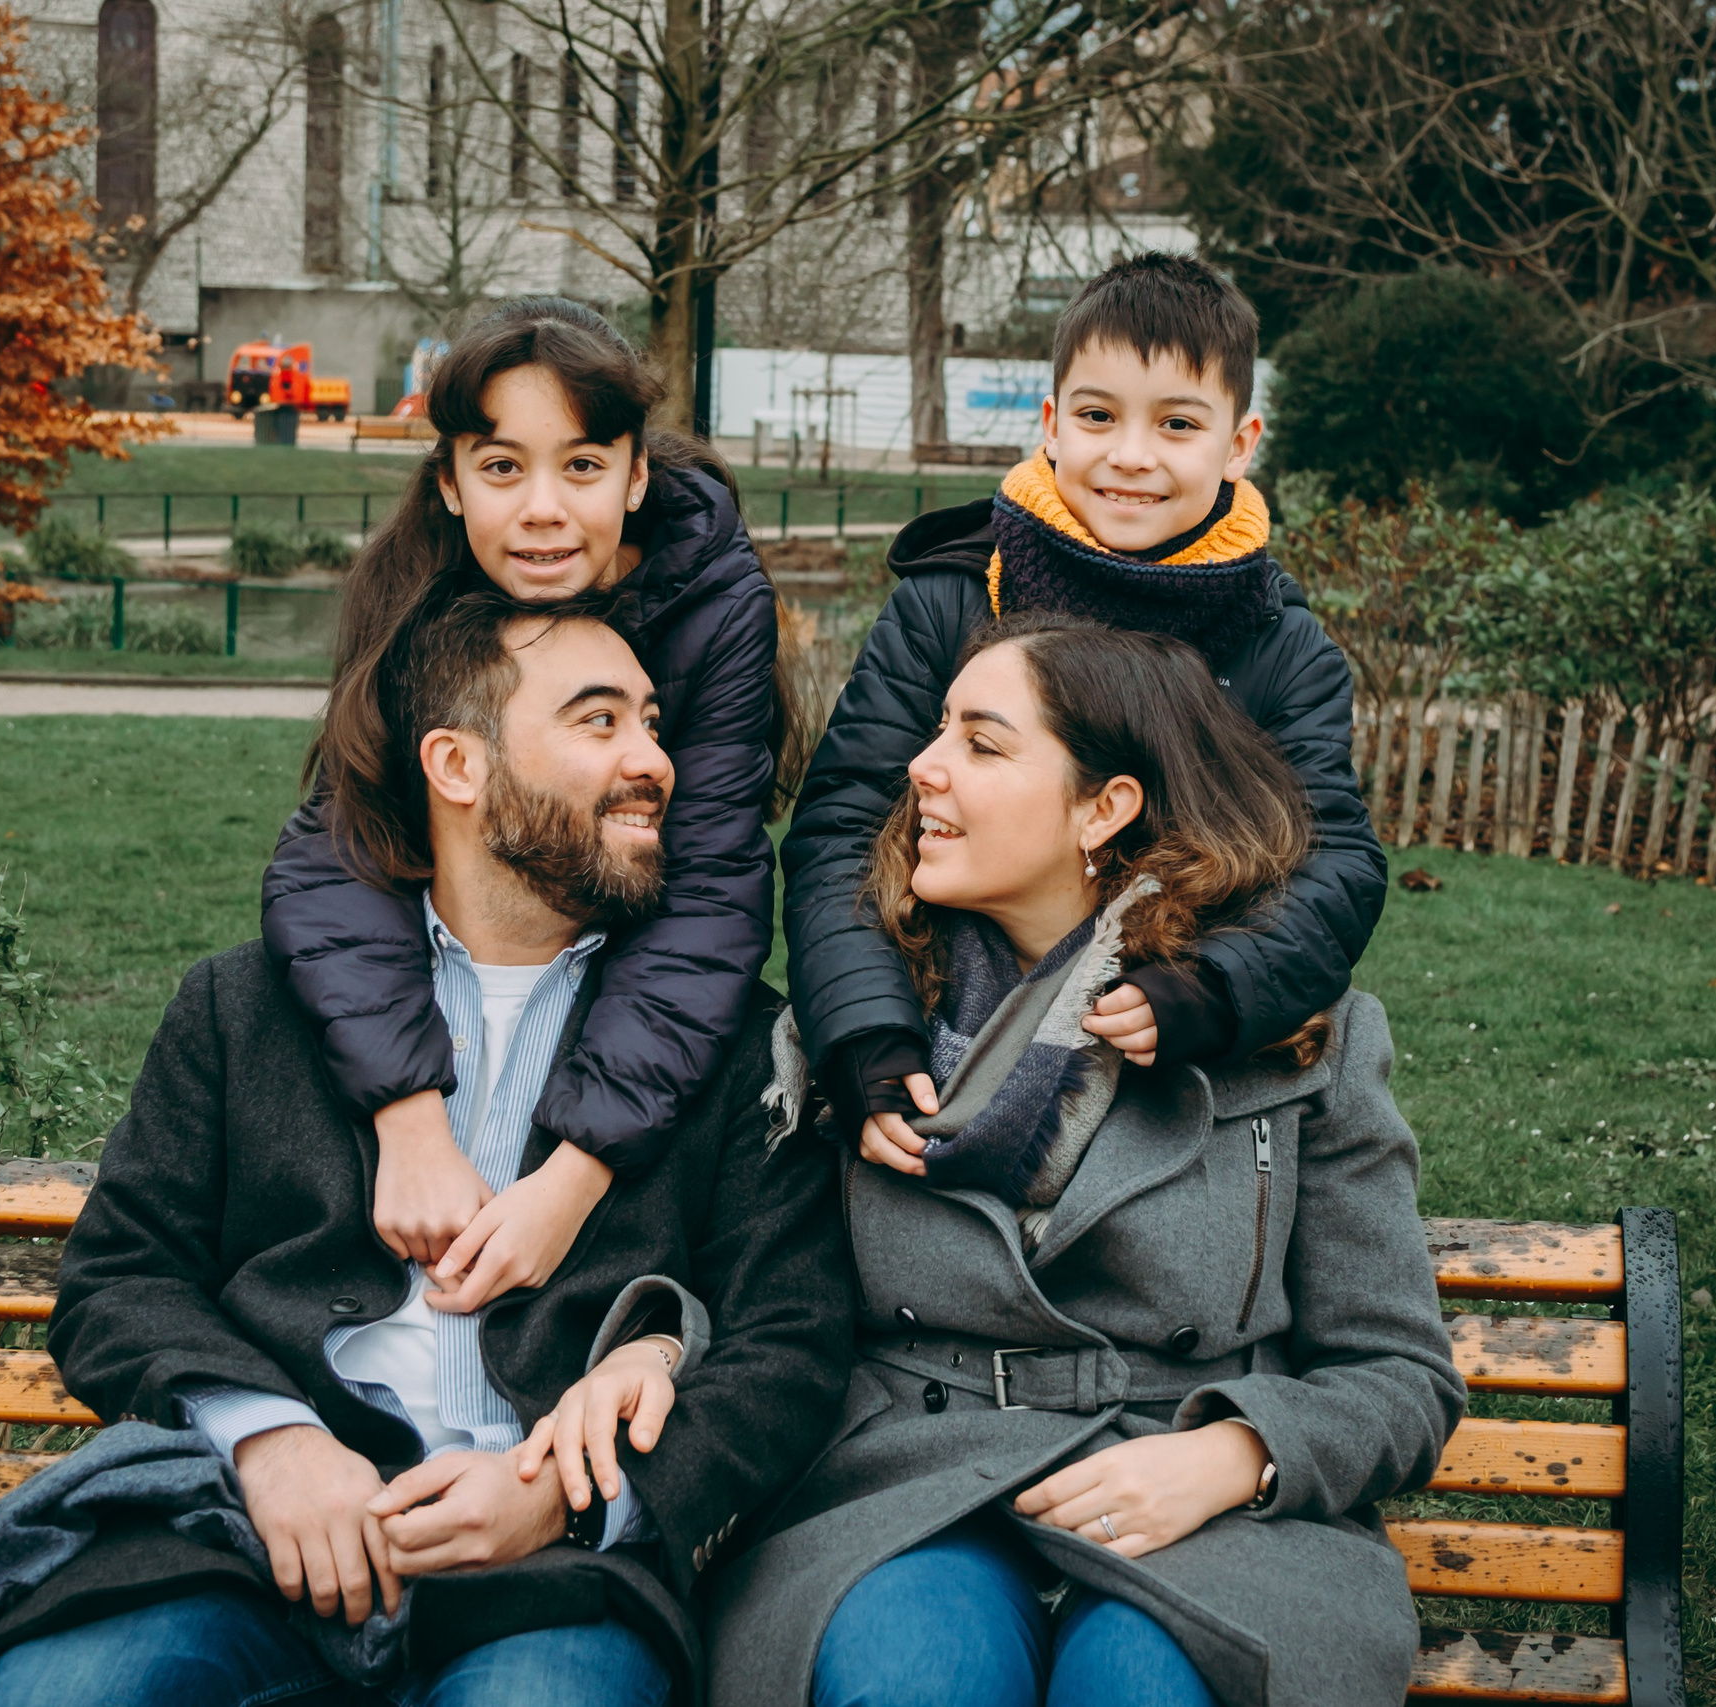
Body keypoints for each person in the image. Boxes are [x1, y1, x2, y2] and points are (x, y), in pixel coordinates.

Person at [0, 586, 851, 1707]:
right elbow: (118, 1281)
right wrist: (272, 1444)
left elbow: (792, 1341)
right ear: (457, 767)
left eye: (654, 724)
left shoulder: (723, 1044)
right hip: (240, 1540)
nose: (654, 762)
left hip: (552, 1580)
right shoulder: (251, 1008)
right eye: (599, 721)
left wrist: (573, 1495)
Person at [714, 615, 1465, 1707]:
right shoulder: (859, 1032)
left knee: (1140, 1691)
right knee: (918, 1683)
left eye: (981, 742)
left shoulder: (1296, 1035)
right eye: (935, 733)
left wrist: (1234, 1454)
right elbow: (766, 1309)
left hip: (1193, 1486)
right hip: (913, 1483)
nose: (919, 768)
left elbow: (1399, 1375)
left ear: (1102, 808)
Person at [785, 252, 1385, 1157]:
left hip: (1168, 1050)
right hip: (950, 1021)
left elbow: (1333, 864)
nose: (1130, 455)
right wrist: (867, 1026)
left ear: (1239, 444)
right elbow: (842, 827)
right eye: (1099, 416)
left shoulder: (1280, 645)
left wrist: (1217, 985)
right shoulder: (951, 600)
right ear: (1052, 424)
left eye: (1177, 423)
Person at [264, 296, 783, 1323]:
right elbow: (339, 849)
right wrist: (408, 1124)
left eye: (582, 466)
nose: (542, 509)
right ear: (451, 483)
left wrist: (575, 1176)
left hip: (616, 968)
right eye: (501, 467)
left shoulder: (715, 605)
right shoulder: (413, 590)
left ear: (637, 475)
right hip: (468, 955)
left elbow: (711, 888)